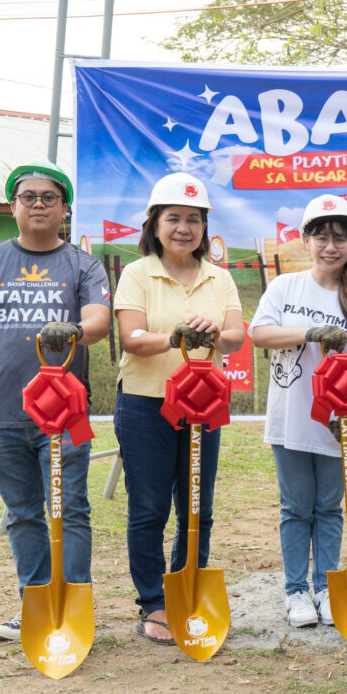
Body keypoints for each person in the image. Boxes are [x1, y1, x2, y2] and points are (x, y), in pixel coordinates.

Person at [0, 158, 111, 641]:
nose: (39, 204)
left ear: (64, 208)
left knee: (71, 511)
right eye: (29, 197)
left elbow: (99, 322)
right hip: (2, 414)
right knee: (23, 514)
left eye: (49, 197)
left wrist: (77, 331)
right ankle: (35, 607)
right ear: (13, 206)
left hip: (64, 417)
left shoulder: (82, 265)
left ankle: (73, 607)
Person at [112, 172, 244, 645]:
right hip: (146, 407)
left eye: (194, 219)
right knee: (148, 508)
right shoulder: (136, 273)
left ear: (205, 227)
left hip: (202, 407)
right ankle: (153, 601)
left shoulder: (220, 277)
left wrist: (213, 332)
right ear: (154, 223)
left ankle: (187, 587)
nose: (183, 228)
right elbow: (131, 338)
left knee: (197, 508)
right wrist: (173, 337)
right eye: (173, 219)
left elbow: (234, 335)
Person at [250, 194, 347, 628]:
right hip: (290, 416)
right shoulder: (285, 287)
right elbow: (260, 334)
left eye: (341, 238)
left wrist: (343, 403)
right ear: (306, 239)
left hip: (337, 420)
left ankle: (328, 588)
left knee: (330, 507)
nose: (331, 247)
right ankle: (296, 593)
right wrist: (309, 332)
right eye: (322, 237)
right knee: (296, 507)